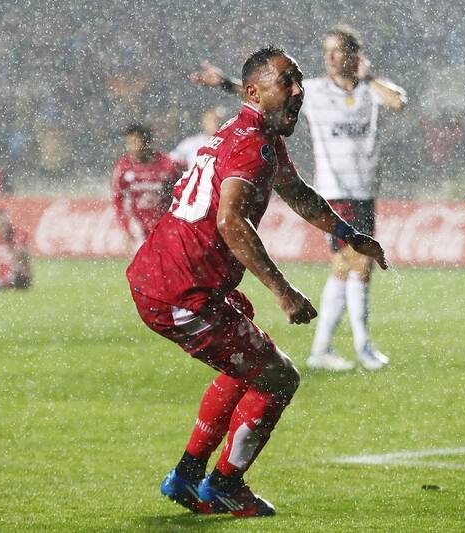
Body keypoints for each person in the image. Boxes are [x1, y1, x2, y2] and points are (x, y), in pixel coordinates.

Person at [127, 46, 387, 517]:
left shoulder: (252, 135)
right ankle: (225, 484)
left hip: (172, 280)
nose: (298, 91)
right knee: (278, 376)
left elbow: (299, 195)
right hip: (182, 293)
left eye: (299, 81)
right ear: (254, 91)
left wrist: (349, 234)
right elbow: (230, 222)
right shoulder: (251, 144)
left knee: (247, 362)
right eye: (286, 82)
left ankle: (187, 476)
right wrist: (284, 292)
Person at [190, 25, 406, 371]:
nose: (330, 58)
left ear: (353, 54)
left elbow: (398, 100)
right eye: (327, 51)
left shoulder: (368, 92)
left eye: (338, 50)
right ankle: (362, 346)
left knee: (346, 269)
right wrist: (222, 82)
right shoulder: (316, 92)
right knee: (358, 264)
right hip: (334, 191)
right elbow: (262, 93)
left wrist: (369, 77)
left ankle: (323, 347)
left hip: (364, 191)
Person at [111, 123, 184, 251]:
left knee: (166, 264)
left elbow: (182, 192)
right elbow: (118, 199)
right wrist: (125, 227)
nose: (133, 147)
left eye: (136, 141)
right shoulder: (123, 167)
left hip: (165, 223)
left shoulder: (167, 164)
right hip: (138, 225)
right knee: (144, 264)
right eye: (130, 142)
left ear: (147, 141)